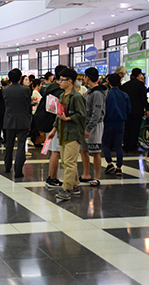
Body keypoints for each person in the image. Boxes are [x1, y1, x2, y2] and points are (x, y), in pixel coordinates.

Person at [47, 68, 86, 201]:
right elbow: (59, 116)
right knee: (65, 161)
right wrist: (53, 131)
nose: (59, 82)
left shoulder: (77, 97)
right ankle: (75, 186)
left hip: (73, 133)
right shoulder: (61, 96)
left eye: (62, 80)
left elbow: (82, 115)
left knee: (69, 162)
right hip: (63, 133)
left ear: (70, 81)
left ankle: (66, 189)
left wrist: (67, 119)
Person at [79, 68, 106, 186]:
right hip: (86, 124)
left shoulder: (98, 93)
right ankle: (86, 173)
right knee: (83, 150)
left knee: (95, 151)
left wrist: (89, 128)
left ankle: (96, 176)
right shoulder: (90, 92)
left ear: (88, 78)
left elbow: (97, 112)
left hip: (94, 126)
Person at [3, 68, 31, 177]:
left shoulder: (5, 90)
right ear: (20, 77)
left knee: (9, 144)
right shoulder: (26, 90)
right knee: (21, 144)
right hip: (23, 119)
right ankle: (18, 170)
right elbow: (28, 103)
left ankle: (7, 166)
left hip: (9, 119)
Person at [43, 65, 67, 188]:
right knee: (55, 152)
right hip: (55, 125)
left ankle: (50, 176)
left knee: (52, 151)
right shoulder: (59, 91)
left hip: (48, 124)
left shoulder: (49, 88)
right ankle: (52, 178)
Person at [102, 74, 131, 176]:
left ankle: (109, 163)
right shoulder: (125, 95)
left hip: (108, 122)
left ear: (108, 82)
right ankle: (119, 167)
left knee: (105, 143)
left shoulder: (106, 95)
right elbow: (129, 110)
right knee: (118, 145)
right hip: (121, 122)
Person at [120, 68, 149, 153]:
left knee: (127, 128)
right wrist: (147, 109)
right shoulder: (140, 85)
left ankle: (125, 146)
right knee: (135, 129)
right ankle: (132, 147)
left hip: (126, 110)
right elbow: (143, 98)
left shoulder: (125, 85)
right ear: (139, 75)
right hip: (137, 110)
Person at [0, 79, 8, 143]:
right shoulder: (9, 90)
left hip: (1, 109)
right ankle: (6, 138)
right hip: (7, 109)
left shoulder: (1, 91)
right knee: (6, 125)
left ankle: (0, 137)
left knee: (0, 124)